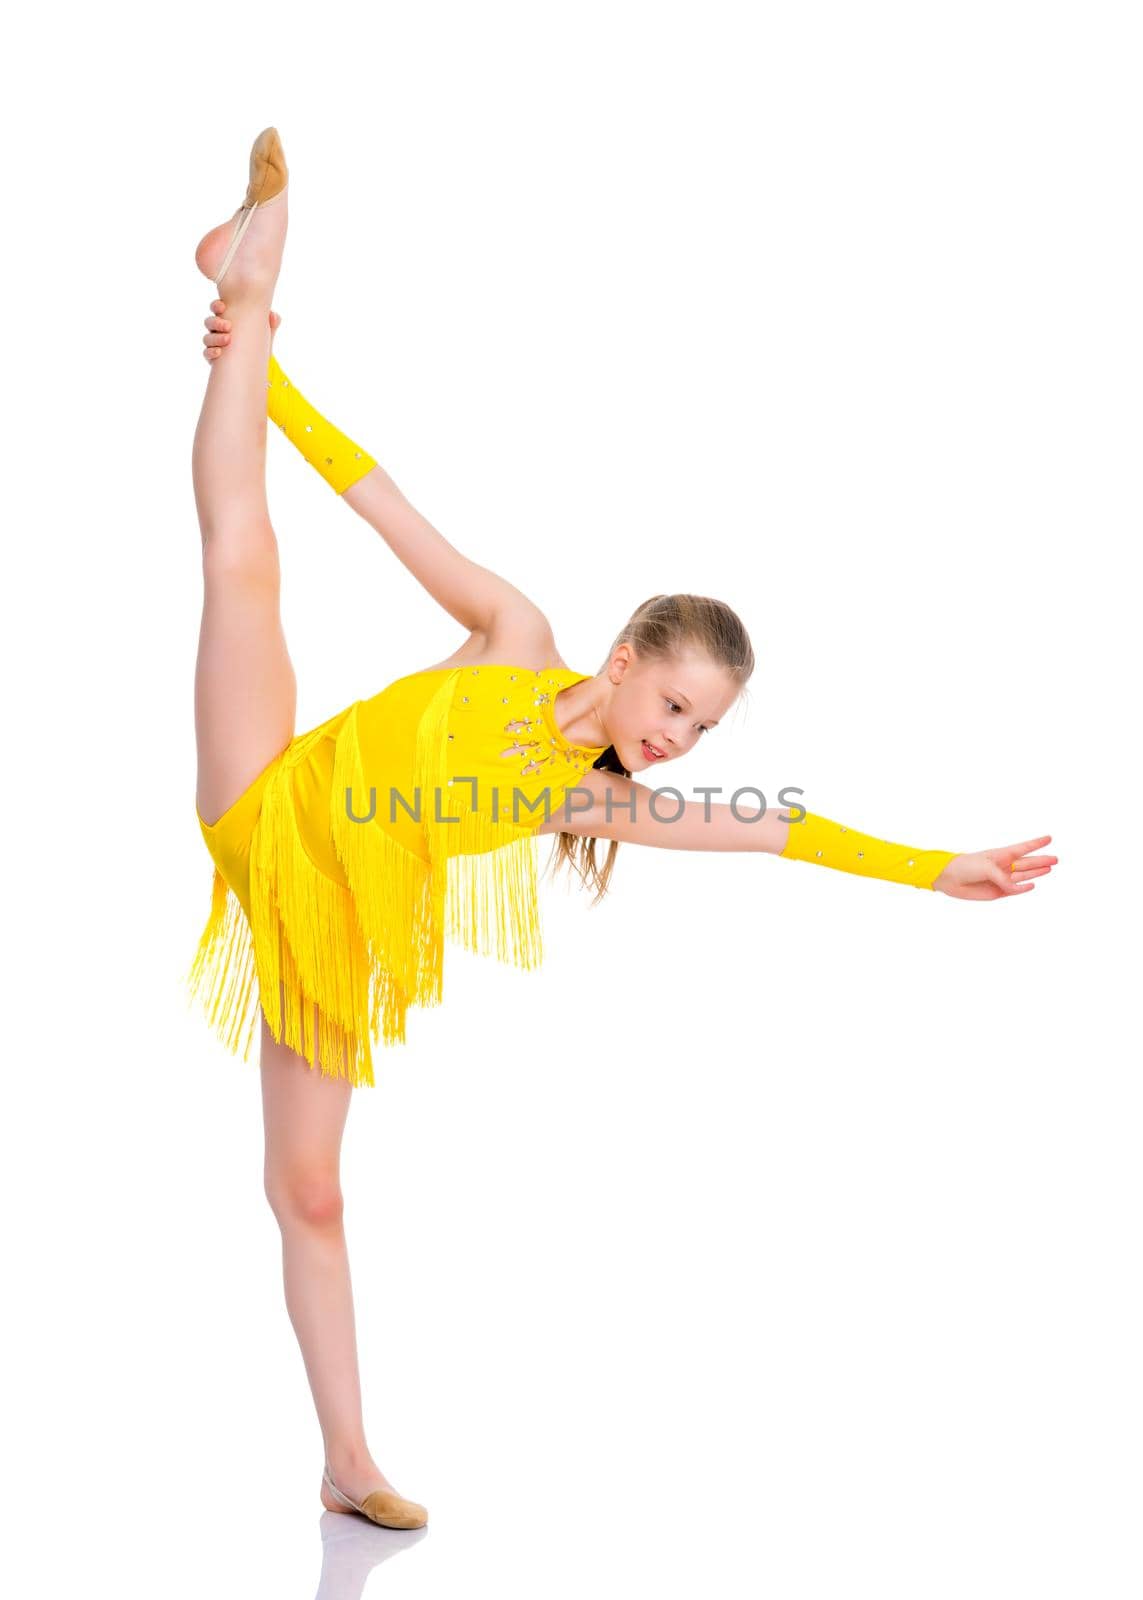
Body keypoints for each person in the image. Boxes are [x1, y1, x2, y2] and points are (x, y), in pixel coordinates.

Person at [189, 128, 1057, 1530]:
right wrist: (258, 364)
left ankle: (348, 1462)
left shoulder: (592, 797)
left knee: (313, 1195)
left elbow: (776, 833)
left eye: (702, 731)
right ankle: (247, 284)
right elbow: (375, 497)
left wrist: (932, 868)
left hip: (323, 925)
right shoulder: (513, 634)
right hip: (267, 793)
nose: (680, 741)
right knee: (247, 551)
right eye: (675, 703)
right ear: (631, 650)